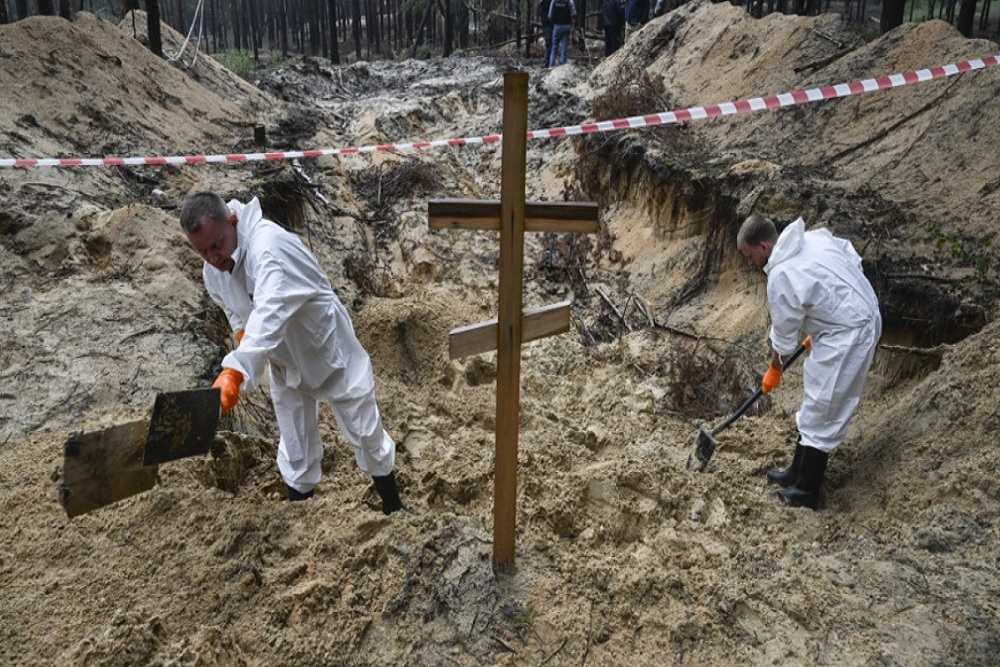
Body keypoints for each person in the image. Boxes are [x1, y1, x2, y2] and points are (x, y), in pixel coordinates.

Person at [179, 192, 403, 513]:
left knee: (364, 429)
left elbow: (270, 311)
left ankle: (393, 506)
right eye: (202, 251)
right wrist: (243, 335)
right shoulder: (214, 269)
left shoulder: (269, 249)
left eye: (216, 246)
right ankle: (299, 522)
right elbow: (237, 311)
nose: (213, 258)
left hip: (325, 347)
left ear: (233, 221)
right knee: (296, 445)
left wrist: (236, 371)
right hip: (283, 360)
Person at [737, 214, 881, 510]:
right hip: (850, 320)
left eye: (748, 255)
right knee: (814, 401)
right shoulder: (813, 239)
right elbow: (850, 257)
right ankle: (795, 472)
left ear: (763, 247)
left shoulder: (781, 275)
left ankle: (807, 491)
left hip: (850, 334)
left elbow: (784, 337)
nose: (749, 263)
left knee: (823, 407)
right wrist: (832, 312)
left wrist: (774, 370)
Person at [548, 0, 576, 67]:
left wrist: (553, 23)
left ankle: (551, 65)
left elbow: (549, 16)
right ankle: (562, 65)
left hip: (557, 26)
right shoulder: (569, 1)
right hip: (567, 25)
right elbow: (574, 13)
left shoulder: (554, 1)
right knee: (564, 46)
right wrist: (572, 22)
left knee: (554, 46)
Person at [538, 0, 554, 68]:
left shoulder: (542, 1)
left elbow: (540, 9)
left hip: (547, 22)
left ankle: (548, 62)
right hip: (550, 22)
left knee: (549, 42)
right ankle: (549, 62)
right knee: (550, 42)